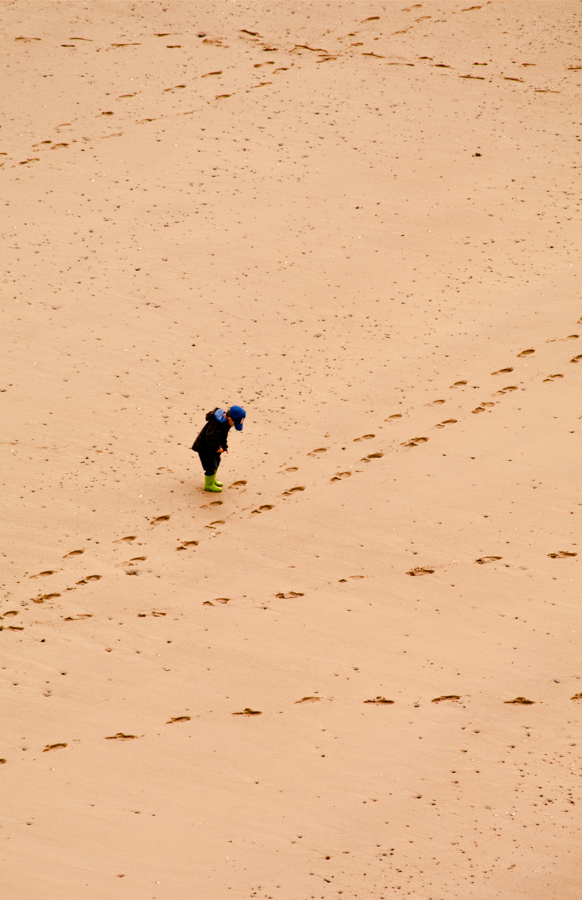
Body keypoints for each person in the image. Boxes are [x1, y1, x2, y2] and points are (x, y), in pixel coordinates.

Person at [191, 405, 246, 492]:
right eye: (235, 423)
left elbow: (222, 437)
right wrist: (218, 447)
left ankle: (212, 480)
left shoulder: (226, 424)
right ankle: (208, 485)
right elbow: (210, 436)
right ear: (229, 419)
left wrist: (224, 447)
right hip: (204, 447)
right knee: (211, 465)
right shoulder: (216, 424)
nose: (233, 426)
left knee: (217, 461)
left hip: (212, 447)